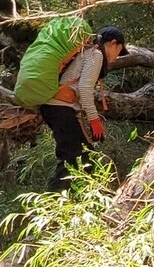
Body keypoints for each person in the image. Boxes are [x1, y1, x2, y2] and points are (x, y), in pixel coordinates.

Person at [39, 25, 128, 193]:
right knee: (71, 159)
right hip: (60, 108)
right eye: (120, 51)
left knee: (88, 156)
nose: (117, 57)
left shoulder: (87, 52)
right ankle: (51, 205)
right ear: (113, 43)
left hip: (58, 108)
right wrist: (94, 120)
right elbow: (84, 89)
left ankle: (87, 200)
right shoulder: (96, 54)